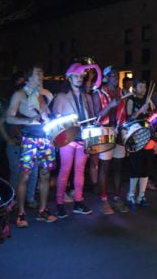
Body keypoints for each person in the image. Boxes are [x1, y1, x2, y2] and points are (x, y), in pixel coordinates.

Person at [5, 66, 57, 227]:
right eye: (37, 73)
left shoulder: (42, 95)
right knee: (25, 176)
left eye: (42, 72)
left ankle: (42, 210)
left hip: (45, 138)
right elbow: (9, 118)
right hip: (29, 139)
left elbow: (46, 116)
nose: (41, 75)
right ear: (29, 77)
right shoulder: (20, 94)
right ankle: (21, 213)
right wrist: (26, 121)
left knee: (45, 175)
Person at [52, 63, 95, 218]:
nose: (79, 79)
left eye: (80, 76)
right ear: (69, 78)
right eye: (76, 76)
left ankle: (78, 202)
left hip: (83, 138)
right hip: (68, 138)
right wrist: (68, 124)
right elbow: (54, 121)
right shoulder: (61, 97)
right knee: (65, 170)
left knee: (79, 171)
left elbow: (90, 119)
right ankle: (59, 204)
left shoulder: (87, 97)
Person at [91, 66, 129, 214]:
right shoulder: (98, 93)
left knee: (118, 166)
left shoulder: (122, 93)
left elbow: (124, 114)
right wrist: (110, 105)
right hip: (104, 130)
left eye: (117, 75)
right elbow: (96, 117)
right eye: (112, 75)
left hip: (118, 130)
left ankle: (117, 197)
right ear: (106, 77)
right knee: (105, 167)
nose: (116, 78)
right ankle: (104, 199)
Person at [124, 78, 156, 209]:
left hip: (148, 135)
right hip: (136, 136)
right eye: (140, 87)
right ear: (135, 88)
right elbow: (129, 118)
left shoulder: (148, 100)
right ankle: (131, 194)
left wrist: (151, 109)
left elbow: (153, 115)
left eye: (144, 87)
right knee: (136, 166)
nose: (143, 89)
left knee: (146, 167)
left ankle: (141, 195)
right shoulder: (131, 99)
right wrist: (140, 111)